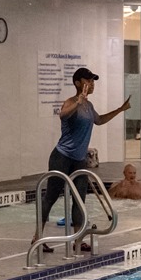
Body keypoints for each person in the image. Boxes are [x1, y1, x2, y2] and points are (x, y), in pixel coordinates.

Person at [34, 67, 131, 254]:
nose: (92, 84)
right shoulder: (71, 102)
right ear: (78, 83)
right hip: (61, 157)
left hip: (79, 160)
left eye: (93, 81)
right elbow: (62, 115)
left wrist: (121, 109)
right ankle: (37, 237)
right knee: (51, 197)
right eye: (89, 81)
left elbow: (100, 120)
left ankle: (77, 239)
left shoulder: (89, 106)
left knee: (79, 199)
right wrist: (78, 101)